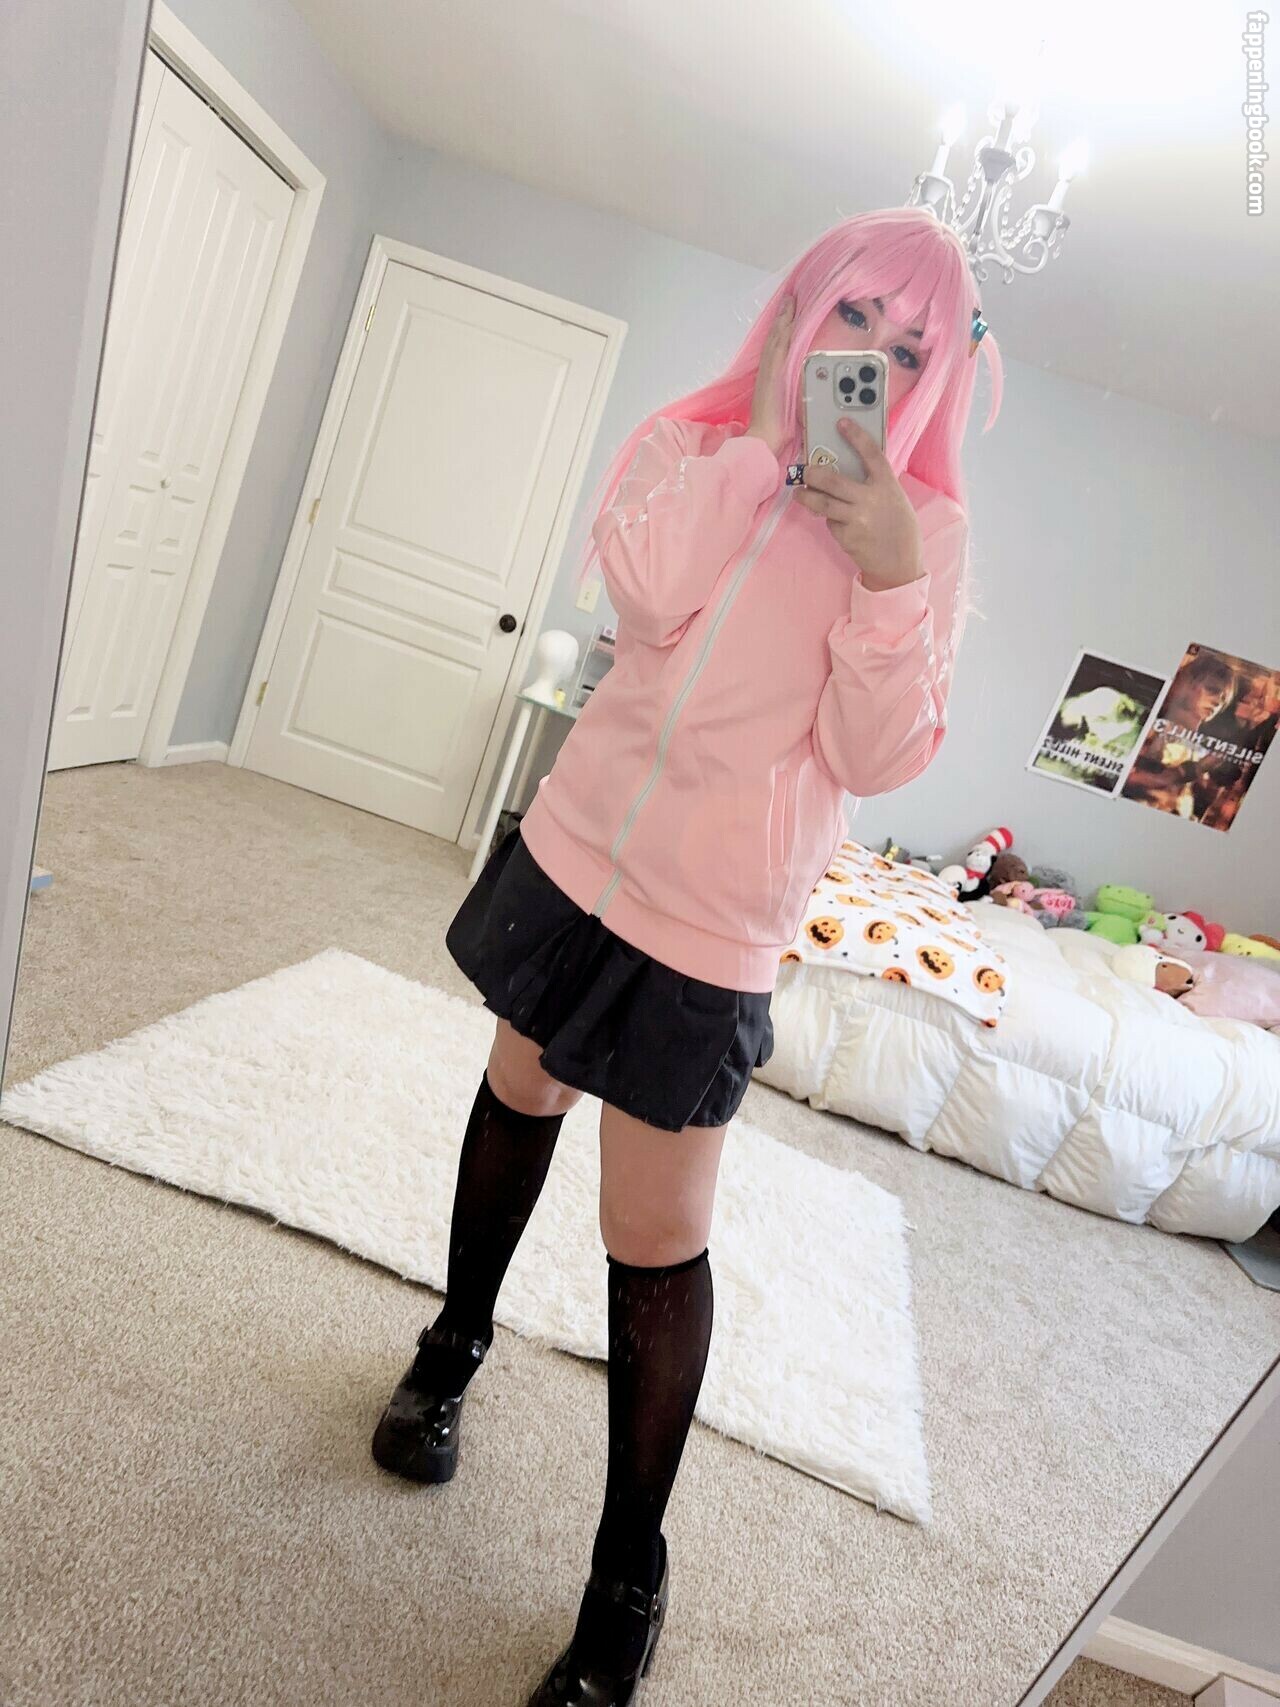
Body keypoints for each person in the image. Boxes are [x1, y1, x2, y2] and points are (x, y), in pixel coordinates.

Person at [371, 206, 1001, 1705]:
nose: (874, 357)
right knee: (515, 1093)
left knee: (655, 1236)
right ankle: (452, 1347)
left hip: (715, 920)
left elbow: (874, 755)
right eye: (854, 316)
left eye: (912, 347)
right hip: (579, 848)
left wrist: (888, 578)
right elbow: (644, 602)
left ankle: (628, 1573)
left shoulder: (926, 534)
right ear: (798, 313)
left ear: (938, 380)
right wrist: (756, 461)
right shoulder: (691, 440)